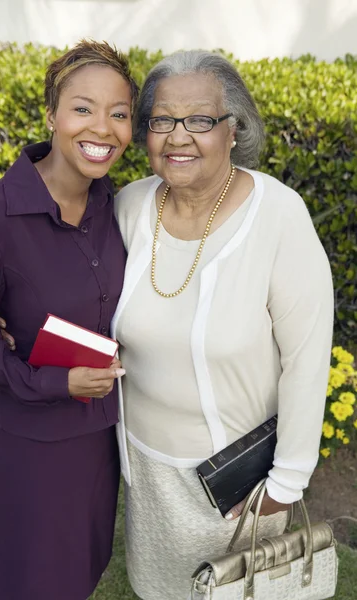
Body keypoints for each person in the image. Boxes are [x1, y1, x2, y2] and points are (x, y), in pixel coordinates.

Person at [111, 50, 334, 600]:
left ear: (234, 130)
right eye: (162, 120)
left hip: (236, 482)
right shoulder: (131, 206)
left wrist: (287, 482)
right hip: (146, 466)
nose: (178, 136)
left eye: (200, 120)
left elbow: (307, 357)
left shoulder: (279, 215)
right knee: (158, 588)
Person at [0, 40, 138, 600]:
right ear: (52, 115)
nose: (103, 128)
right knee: (40, 578)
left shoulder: (120, 207)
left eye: (120, 113)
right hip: (33, 443)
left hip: (101, 435)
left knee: (84, 566)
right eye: (83, 108)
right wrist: (55, 381)